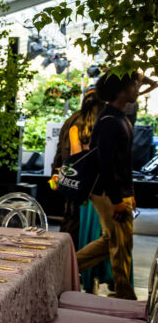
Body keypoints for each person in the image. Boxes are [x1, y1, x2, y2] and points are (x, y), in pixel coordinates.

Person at [76, 71, 140, 299]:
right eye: (134, 85)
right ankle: (125, 295)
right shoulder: (110, 121)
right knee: (120, 243)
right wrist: (116, 200)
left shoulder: (120, 118)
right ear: (121, 90)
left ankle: (68, 267)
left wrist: (129, 193)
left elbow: (124, 164)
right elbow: (106, 165)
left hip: (116, 192)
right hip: (106, 193)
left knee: (112, 240)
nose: (137, 88)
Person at [52, 88, 101, 242]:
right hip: (91, 183)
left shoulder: (73, 122)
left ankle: (67, 256)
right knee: (85, 224)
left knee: (71, 219)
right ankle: (77, 258)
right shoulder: (99, 126)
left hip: (72, 178)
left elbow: (70, 152)